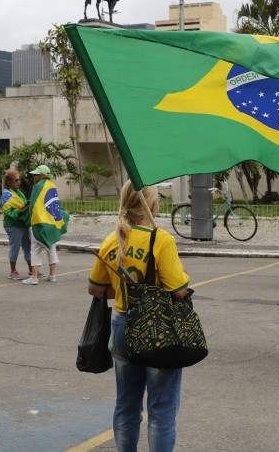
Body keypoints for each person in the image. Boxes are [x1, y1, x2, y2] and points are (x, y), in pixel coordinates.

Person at [89, 181, 189, 451]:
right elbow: (178, 291)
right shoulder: (161, 239)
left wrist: (127, 290)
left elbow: (96, 289)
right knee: (161, 410)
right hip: (157, 329)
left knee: (126, 405)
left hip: (122, 325)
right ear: (152, 206)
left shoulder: (113, 239)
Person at [22, 165, 69, 285]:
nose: (34, 177)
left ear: (42, 175)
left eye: (36, 175)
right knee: (51, 248)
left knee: (35, 250)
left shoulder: (38, 186)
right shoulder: (52, 185)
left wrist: (29, 219)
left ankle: (34, 277)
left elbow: (33, 205)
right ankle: (52, 275)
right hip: (52, 223)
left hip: (39, 222)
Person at [0, 169, 32, 280]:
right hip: (13, 224)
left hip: (23, 223)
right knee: (15, 247)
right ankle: (13, 271)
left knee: (28, 246)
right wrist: (22, 211)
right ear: (9, 182)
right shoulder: (6, 195)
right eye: (16, 180)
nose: (19, 182)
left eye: (19, 180)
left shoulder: (18, 192)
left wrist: (26, 207)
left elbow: (21, 204)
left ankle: (32, 270)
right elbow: (8, 212)